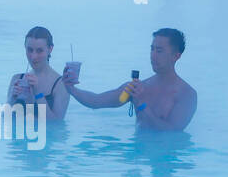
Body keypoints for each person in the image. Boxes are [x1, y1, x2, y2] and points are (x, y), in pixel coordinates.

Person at [65, 28, 197, 131]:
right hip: (138, 155)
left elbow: (172, 133)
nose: (153, 55)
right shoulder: (137, 88)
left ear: (176, 56)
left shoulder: (186, 94)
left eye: (159, 51)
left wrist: (141, 104)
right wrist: (71, 89)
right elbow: (97, 101)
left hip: (168, 159)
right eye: (152, 49)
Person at [6, 26, 69, 120]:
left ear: (50, 49)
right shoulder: (17, 79)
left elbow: (56, 125)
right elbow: (5, 119)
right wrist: (11, 100)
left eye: (39, 51)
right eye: (30, 50)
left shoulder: (61, 85)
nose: (33, 56)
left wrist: (38, 94)